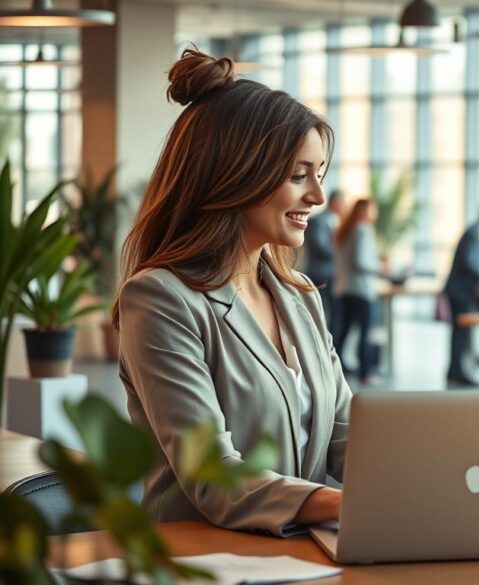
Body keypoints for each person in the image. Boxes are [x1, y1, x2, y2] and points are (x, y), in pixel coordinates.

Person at [113, 49, 347, 535]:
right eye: (298, 175)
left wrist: (431, 482)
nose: (318, 197)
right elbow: (212, 477)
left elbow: (346, 440)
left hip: (299, 555)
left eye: (319, 175)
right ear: (237, 173)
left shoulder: (299, 295)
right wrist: (345, 504)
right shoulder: (161, 299)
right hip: (203, 559)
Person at [444, 204, 479, 387]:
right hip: (460, 293)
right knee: (460, 334)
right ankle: (457, 372)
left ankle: (456, 371)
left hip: (461, 292)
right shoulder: (472, 234)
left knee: (460, 334)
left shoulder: (474, 232)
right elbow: (469, 263)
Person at [333, 198, 382, 386]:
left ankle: (331, 368)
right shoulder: (363, 230)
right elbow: (361, 261)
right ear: (365, 211)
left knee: (344, 331)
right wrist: (380, 268)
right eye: (372, 209)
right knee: (365, 332)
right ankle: (365, 372)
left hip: (345, 289)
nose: (374, 213)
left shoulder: (345, 230)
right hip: (362, 290)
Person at [303, 189, 343, 328]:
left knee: (335, 314)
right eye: (341, 203)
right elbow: (319, 246)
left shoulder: (337, 221)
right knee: (317, 311)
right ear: (334, 202)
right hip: (320, 273)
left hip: (334, 275)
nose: (343, 207)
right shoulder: (318, 220)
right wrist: (340, 254)